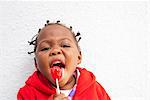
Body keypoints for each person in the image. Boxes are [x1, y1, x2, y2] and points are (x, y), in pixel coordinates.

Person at [17, 20, 110, 100]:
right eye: (45, 48)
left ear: (79, 57)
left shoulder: (95, 89)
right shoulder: (27, 94)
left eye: (65, 45)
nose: (55, 51)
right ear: (36, 64)